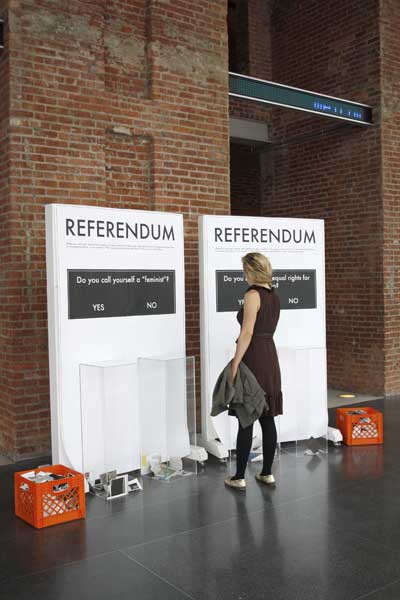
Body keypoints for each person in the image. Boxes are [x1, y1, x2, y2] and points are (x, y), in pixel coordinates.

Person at [225, 252, 283, 490]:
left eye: (244, 270)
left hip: (254, 357)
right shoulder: (274, 296)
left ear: (251, 271)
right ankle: (267, 473)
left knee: (246, 419)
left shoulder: (252, 295)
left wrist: (235, 363)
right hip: (270, 357)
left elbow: (247, 332)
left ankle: (239, 477)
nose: (243, 274)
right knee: (268, 419)